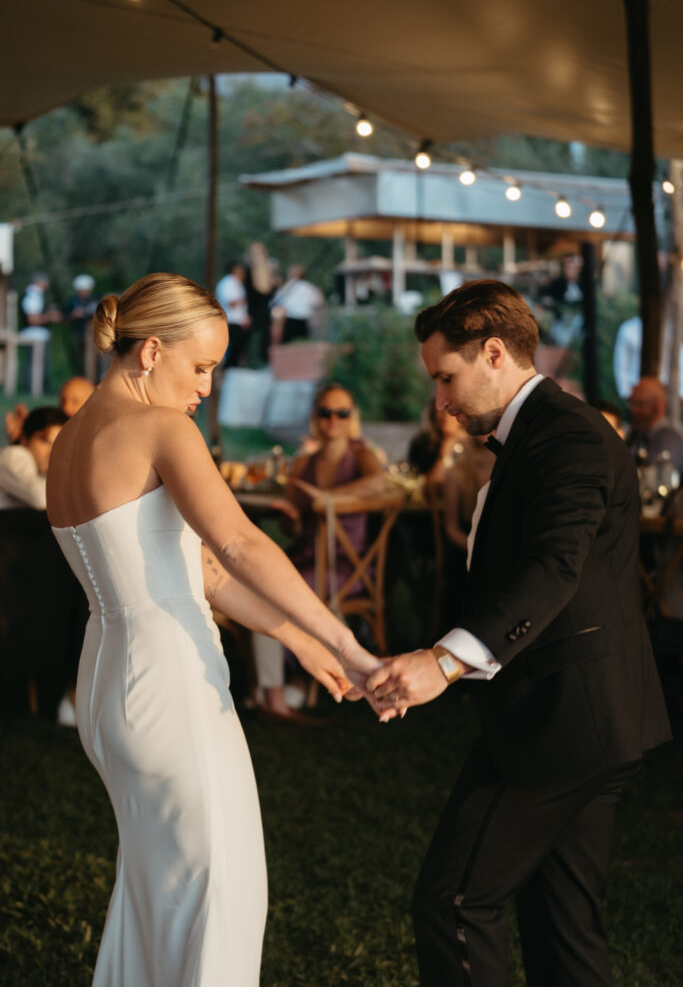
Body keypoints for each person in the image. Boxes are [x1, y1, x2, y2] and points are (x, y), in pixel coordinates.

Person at [45, 272, 393, 987]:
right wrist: (347, 642)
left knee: (156, 890)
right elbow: (236, 544)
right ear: (148, 352)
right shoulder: (161, 428)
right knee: (222, 894)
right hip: (170, 682)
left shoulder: (73, 440)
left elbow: (198, 572)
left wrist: (299, 640)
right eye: (199, 366)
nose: (206, 387)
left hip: (106, 688)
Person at [367, 279, 671, 987]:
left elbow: (553, 569)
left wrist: (441, 663)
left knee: (453, 903)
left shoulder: (568, 435)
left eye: (445, 377)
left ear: (494, 354)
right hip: (585, 717)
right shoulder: (538, 434)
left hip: (562, 722)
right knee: (562, 932)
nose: (439, 400)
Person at [251, 383, 385, 721]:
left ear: (352, 418)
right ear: (316, 418)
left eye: (342, 413)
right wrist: (292, 519)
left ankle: (275, 692)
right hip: (307, 559)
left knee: (272, 595)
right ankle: (276, 688)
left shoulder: (362, 456)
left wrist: (329, 499)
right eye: (326, 412)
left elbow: (377, 484)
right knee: (256, 583)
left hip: (345, 567)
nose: (334, 420)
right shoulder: (303, 464)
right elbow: (293, 531)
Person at [0, 406, 67, 509]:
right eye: (45, 442)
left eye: (59, 445)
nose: (52, 452)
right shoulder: (13, 454)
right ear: (24, 439)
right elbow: (41, 498)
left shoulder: (43, 474)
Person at [628, 376, 683, 472]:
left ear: (659, 406)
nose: (634, 410)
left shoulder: (670, 439)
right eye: (632, 403)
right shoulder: (636, 435)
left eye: (640, 404)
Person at [20, 272, 62, 392]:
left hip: (38, 335)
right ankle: (33, 388)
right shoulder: (32, 295)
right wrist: (49, 317)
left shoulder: (35, 295)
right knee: (35, 364)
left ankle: (38, 387)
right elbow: (32, 319)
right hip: (34, 335)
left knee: (39, 364)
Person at [271, 264, 324, 342]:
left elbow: (277, 301)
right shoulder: (310, 287)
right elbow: (320, 302)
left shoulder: (287, 287)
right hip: (305, 320)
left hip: (290, 319)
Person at [215, 260, 251, 367]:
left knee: (237, 352)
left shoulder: (237, 284)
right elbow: (230, 302)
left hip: (238, 323)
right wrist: (244, 299)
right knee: (230, 351)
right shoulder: (228, 282)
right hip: (230, 322)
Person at [64, 274, 98, 373]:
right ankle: (80, 377)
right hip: (78, 333)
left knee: (95, 359)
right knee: (79, 358)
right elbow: (65, 319)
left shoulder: (95, 299)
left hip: (93, 334)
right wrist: (73, 315)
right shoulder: (72, 301)